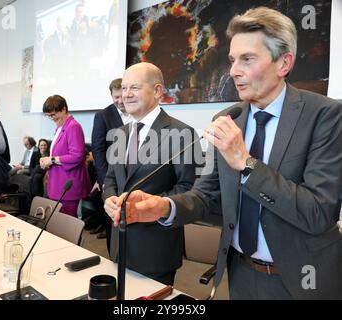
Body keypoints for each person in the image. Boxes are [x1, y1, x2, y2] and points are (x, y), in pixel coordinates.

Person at [113, 7, 342, 299]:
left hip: (303, 278)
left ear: (283, 63)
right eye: (233, 60)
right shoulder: (229, 117)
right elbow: (204, 196)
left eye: (247, 59)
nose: (233, 70)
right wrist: (163, 207)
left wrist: (246, 165)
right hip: (241, 273)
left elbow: (318, 213)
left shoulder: (325, 115)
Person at [102, 62, 201, 285]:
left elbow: (188, 189)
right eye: (124, 88)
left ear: (157, 91)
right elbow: (110, 180)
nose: (125, 95)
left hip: (155, 248)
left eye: (134, 88)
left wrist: (152, 205)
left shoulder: (182, 133)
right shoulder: (120, 133)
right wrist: (108, 198)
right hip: (119, 243)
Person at [91, 78, 130, 248]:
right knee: (111, 222)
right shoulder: (103, 116)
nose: (120, 101)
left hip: (134, 176)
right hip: (112, 179)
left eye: (122, 96)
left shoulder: (137, 111)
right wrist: (104, 181)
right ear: (111, 96)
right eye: (116, 97)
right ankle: (113, 257)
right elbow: (98, 151)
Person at [40, 95, 91, 217]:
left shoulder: (73, 126)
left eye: (53, 115)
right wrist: (46, 160)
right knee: (60, 223)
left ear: (63, 109)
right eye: (49, 116)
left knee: (67, 226)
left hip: (68, 184)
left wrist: (51, 160)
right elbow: (59, 152)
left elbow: (77, 156)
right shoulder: (60, 126)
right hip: (59, 181)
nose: (52, 118)